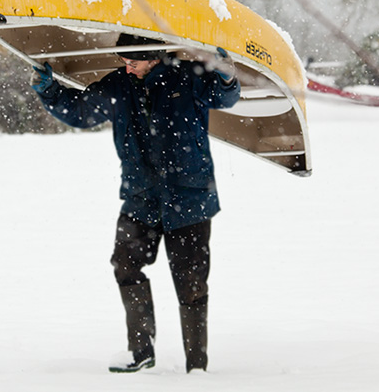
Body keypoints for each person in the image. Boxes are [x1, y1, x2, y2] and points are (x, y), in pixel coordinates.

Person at [31, 33, 241, 373]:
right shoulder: (119, 85)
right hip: (141, 198)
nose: (127, 68)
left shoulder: (189, 77)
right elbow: (82, 111)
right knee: (125, 265)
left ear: (155, 57)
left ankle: (196, 367)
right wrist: (49, 90)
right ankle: (140, 352)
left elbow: (224, 95)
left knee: (191, 283)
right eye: (124, 61)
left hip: (189, 199)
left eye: (134, 62)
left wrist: (228, 74)